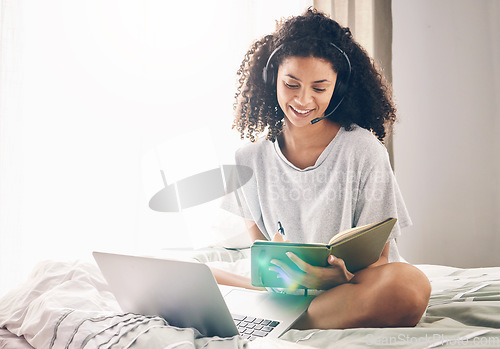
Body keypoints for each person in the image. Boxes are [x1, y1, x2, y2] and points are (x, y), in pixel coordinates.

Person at [216, 8, 431, 330]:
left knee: (409, 285)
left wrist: (340, 276)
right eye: (291, 84)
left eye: (319, 88)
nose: (303, 100)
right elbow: (261, 253)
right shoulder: (247, 159)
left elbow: (380, 259)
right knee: (190, 274)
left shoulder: (363, 150)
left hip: (352, 285)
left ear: (338, 89)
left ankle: (290, 318)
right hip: (286, 290)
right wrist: (280, 272)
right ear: (271, 78)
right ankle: (291, 313)